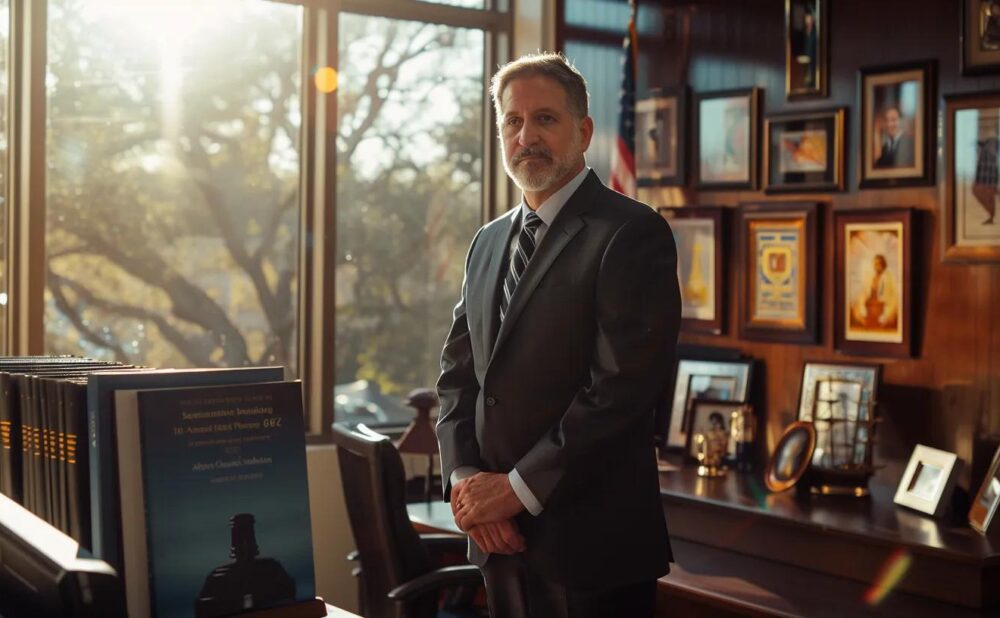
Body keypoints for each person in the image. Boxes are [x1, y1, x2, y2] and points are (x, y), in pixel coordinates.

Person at [436, 52, 681, 618]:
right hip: (497, 540)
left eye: (545, 119)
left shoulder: (631, 232)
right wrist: (470, 482)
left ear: (583, 131)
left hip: (591, 549)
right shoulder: (487, 241)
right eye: (512, 122)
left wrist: (515, 490)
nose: (527, 136)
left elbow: (619, 392)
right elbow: (458, 377)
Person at [851, 254, 898, 330]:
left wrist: (887, 312)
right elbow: (864, 291)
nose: (876, 266)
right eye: (875, 264)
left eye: (878, 263)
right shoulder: (870, 276)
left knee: (882, 321)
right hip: (870, 304)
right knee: (857, 309)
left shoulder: (888, 277)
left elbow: (894, 296)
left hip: (883, 305)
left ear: (883, 265)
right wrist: (862, 305)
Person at [873, 105, 914, 169]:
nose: (889, 124)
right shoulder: (884, 148)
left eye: (893, 120)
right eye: (886, 120)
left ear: (900, 121)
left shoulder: (911, 143)